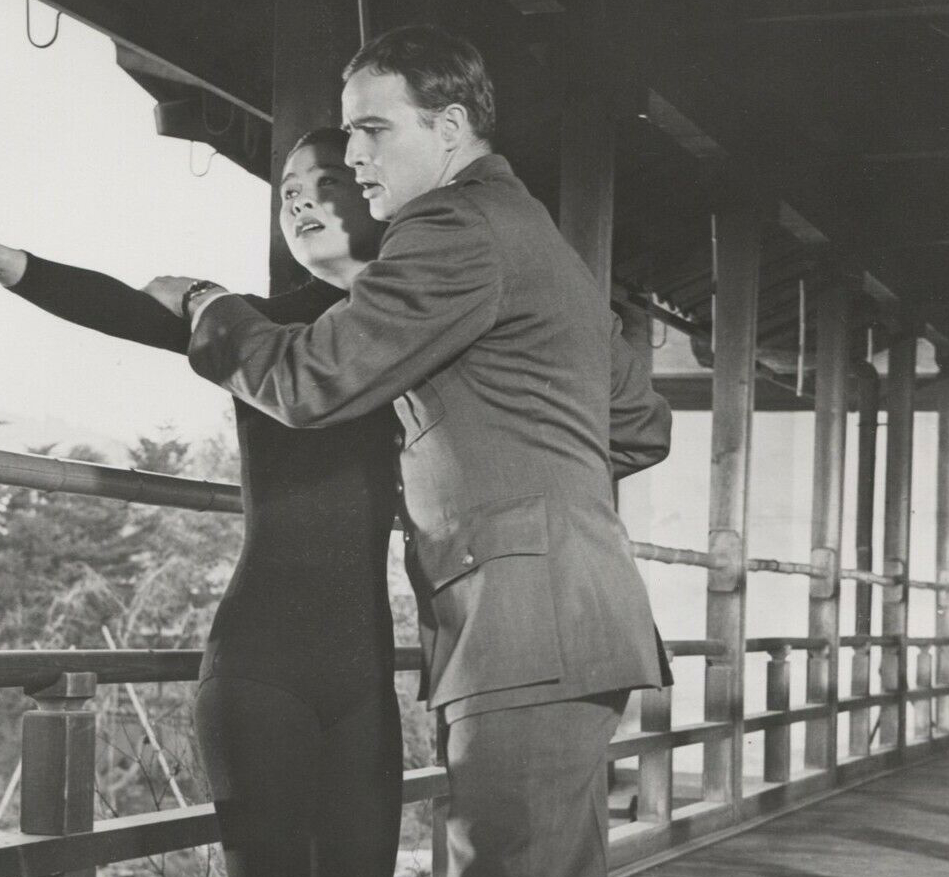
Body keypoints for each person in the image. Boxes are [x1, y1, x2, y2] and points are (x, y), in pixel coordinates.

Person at [141, 25, 674, 877]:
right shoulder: (531, 231)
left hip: (521, 623)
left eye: (372, 129)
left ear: (451, 129)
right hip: (572, 620)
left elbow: (311, 381)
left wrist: (209, 304)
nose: (352, 155)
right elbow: (642, 423)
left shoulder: (451, 227)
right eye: (348, 130)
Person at [0, 127, 403, 877]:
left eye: (320, 178)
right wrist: (5, 263)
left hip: (366, 681)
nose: (295, 196)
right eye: (285, 188)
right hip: (261, 672)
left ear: (374, 184)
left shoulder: (419, 324)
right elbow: (126, 311)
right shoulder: (255, 324)